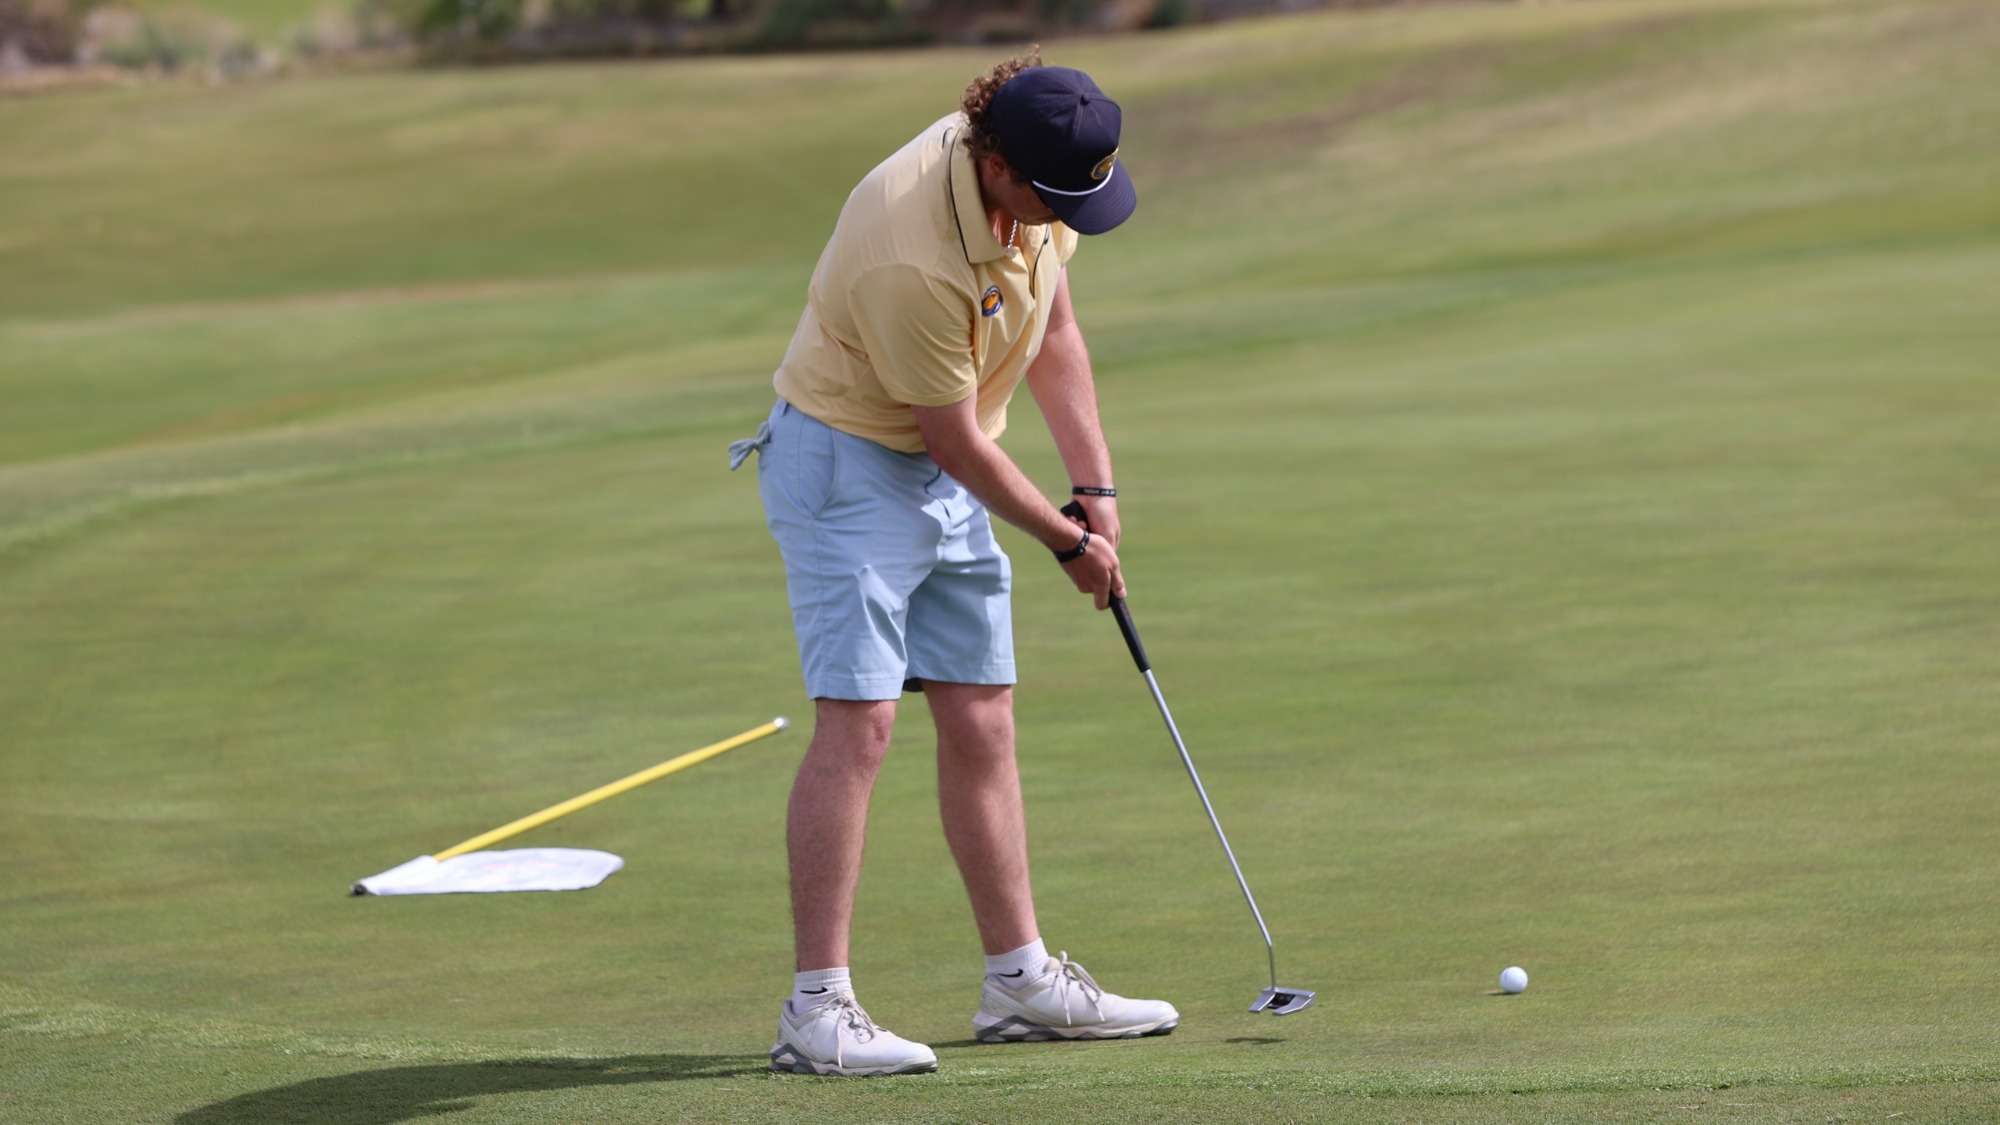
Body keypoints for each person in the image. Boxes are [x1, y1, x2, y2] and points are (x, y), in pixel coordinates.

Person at [729, 50, 1176, 1078]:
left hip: (943, 461)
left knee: (981, 711)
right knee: (861, 720)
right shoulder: (909, 247)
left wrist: (1095, 492)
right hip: (849, 461)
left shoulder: (1039, 177)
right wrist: (1065, 542)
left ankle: (1018, 984)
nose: (1063, 210)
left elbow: (1053, 320)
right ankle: (815, 1009)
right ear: (997, 166)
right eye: (1050, 196)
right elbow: (954, 443)